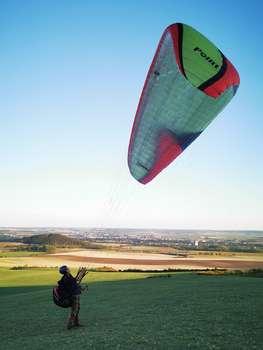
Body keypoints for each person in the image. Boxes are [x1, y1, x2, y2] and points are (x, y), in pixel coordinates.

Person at [58, 265, 85, 329]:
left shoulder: (66, 277)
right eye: (67, 268)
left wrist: (80, 274)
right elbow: (74, 283)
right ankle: (70, 324)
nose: (69, 269)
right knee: (75, 309)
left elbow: (74, 282)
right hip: (73, 296)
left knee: (77, 308)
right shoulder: (67, 278)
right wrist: (81, 274)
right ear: (66, 270)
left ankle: (76, 323)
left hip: (73, 295)